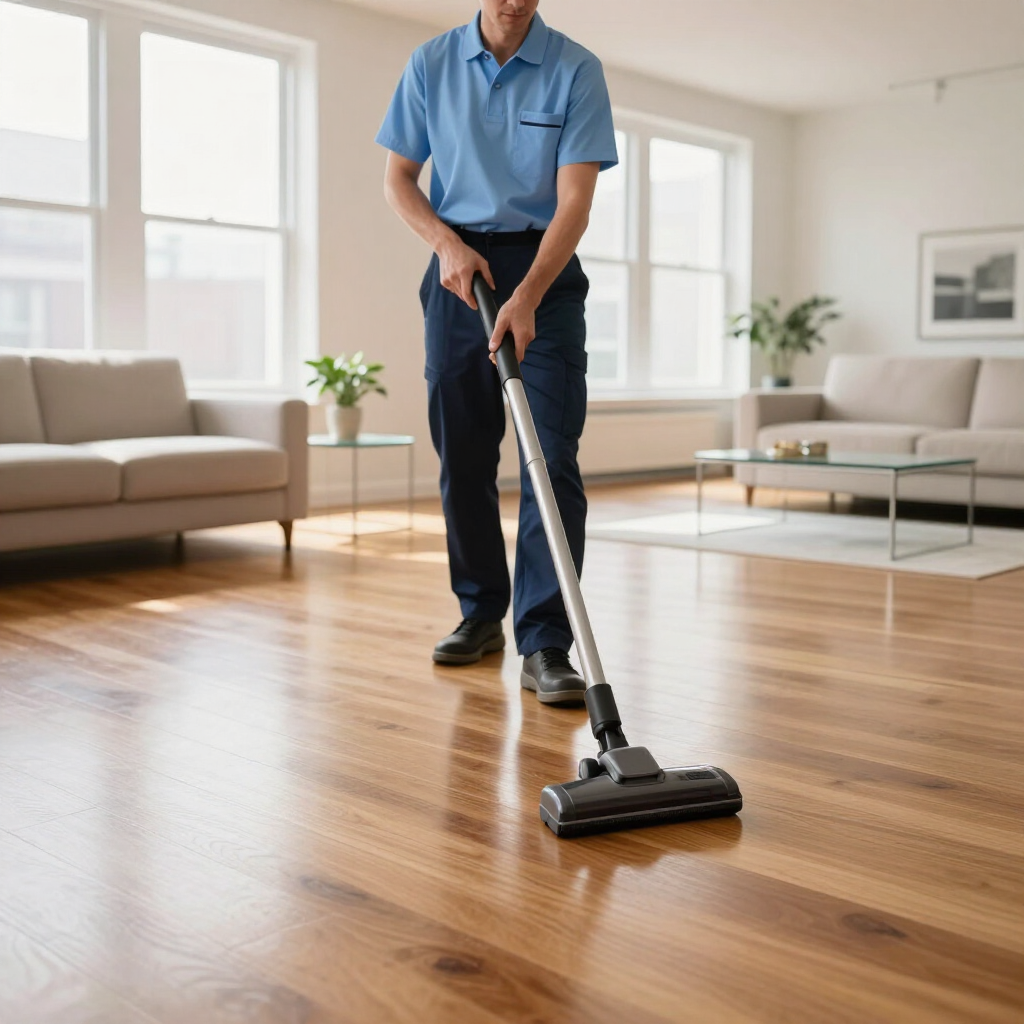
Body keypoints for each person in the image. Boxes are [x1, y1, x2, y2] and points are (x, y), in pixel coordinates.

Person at [376, 0, 617, 706]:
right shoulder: (431, 64)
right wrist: (447, 246)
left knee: (552, 457)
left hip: (546, 268)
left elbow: (574, 201)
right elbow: (398, 179)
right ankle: (480, 612)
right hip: (458, 270)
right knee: (465, 451)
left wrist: (531, 292)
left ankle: (545, 640)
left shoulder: (575, 69)